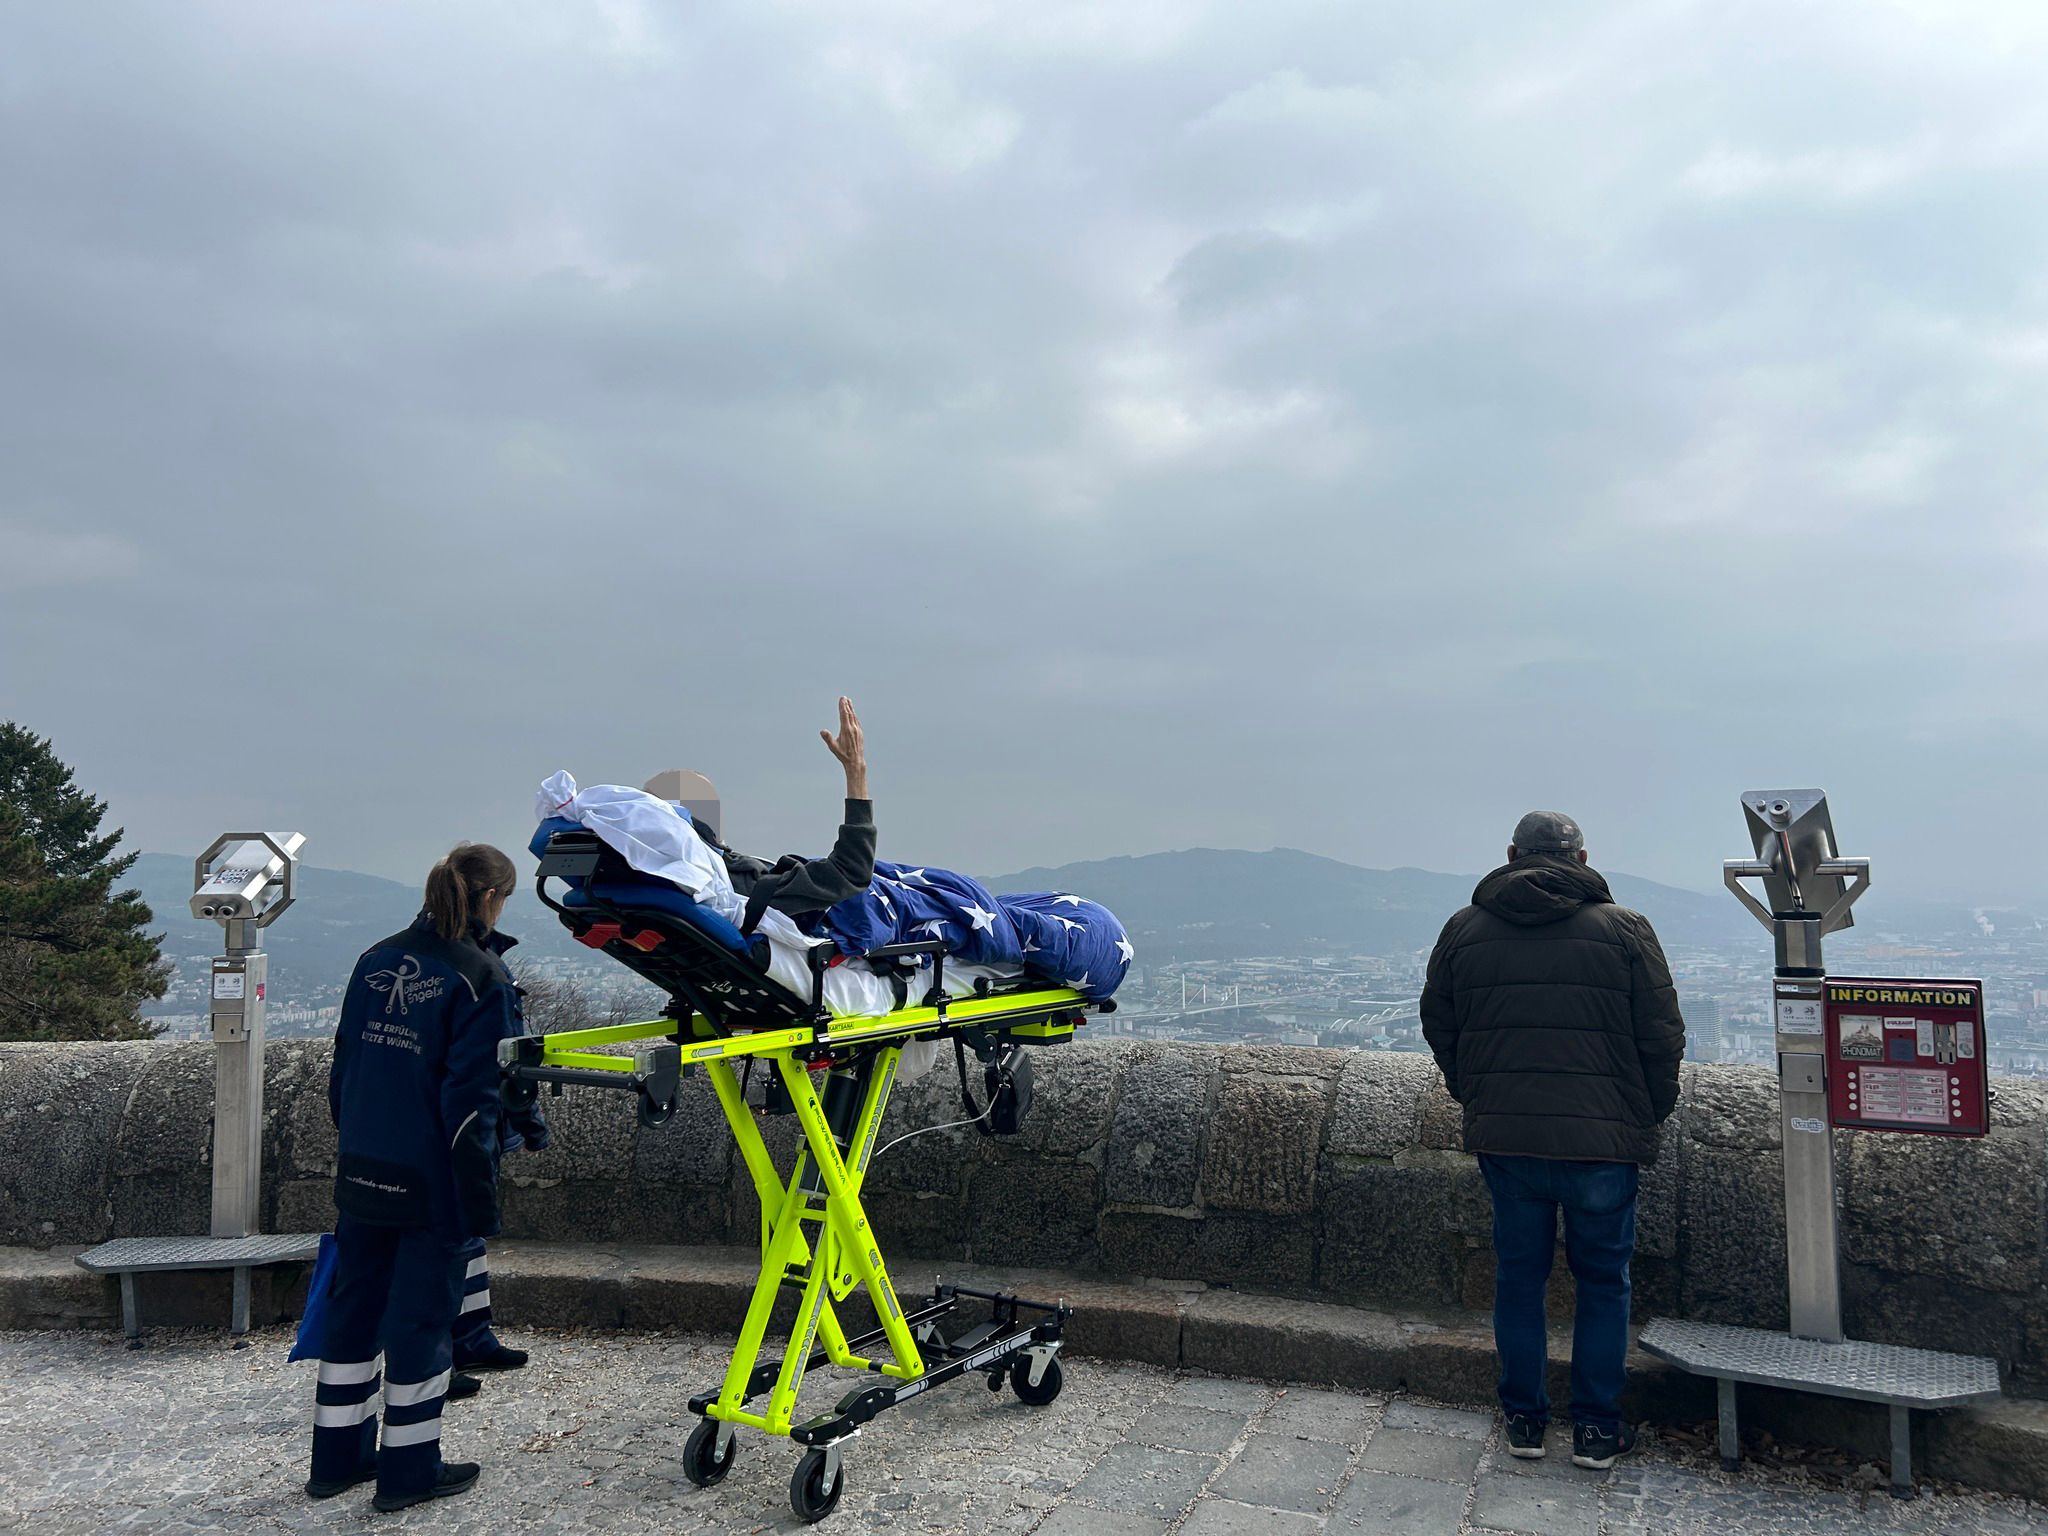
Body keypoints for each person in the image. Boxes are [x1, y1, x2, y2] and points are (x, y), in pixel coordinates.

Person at [1419, 811, 1684, 1471]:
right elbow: (1663, 1035)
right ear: (1583, 856)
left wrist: (1475, 1094)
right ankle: (1596, 1427)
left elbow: (1440, 1023)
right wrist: (1645, 1113)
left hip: (1508, 1139)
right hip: (1604, 1144)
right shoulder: (1625, 930)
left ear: (1512, 854)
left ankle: (1525, 1422)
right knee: (1602, 1281)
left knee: (1519, 1278)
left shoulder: (1464, 930)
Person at [306, 844, 521, 1511]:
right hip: (430, 1181)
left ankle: (335, 1462)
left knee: (353, 1314)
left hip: (364, 1169)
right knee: (422, 1323)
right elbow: (470, 1106)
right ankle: (408, 1472)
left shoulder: (373, 959)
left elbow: (344, 1074)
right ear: (491, 900)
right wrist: (477, 1198)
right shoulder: (480, 979)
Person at [692, 694, 876, 933]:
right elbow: (851, 872)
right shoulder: (737, 887)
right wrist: (856, 769)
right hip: (869, 901)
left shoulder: (657, 886)